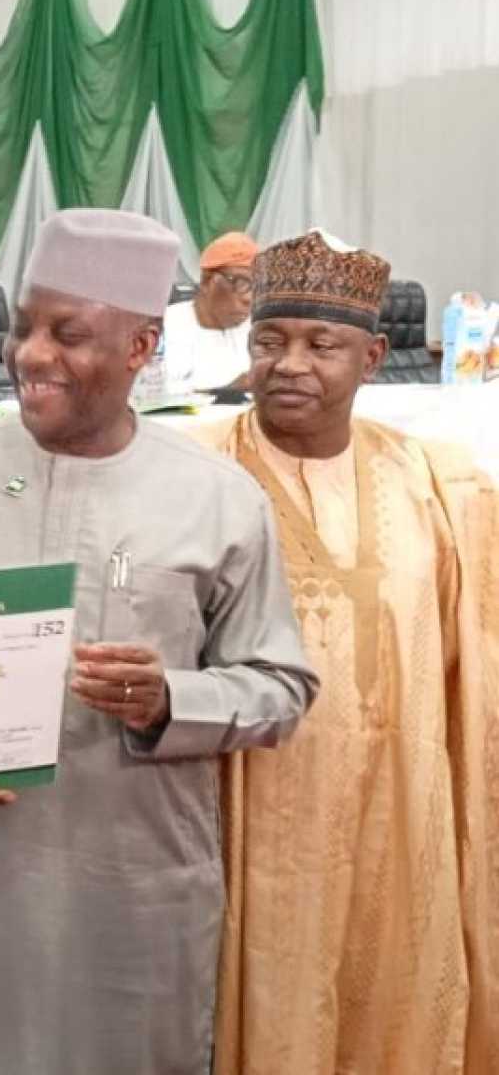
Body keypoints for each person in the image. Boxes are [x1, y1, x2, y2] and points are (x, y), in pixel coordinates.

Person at [0, 209, 319, 1075]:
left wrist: (170, 698)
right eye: (23, 327)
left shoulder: (215, 498)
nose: (31, 355)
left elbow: (280, 684)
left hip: (132, 891)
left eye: (67, 335)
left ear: (141, 346)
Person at [195, 230, 499, 1074]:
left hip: (403, 805)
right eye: (269, 340)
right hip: (253, 811)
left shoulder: (438, 485)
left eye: (319, 344)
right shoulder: (192, 475)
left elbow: (478, 669)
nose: (289, 364)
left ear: (370, 358)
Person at [163, 230, 257, 391]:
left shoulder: (256, 327)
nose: (249, 298)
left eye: (258, 285)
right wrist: (228, 391)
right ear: (207, 282)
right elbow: (154, 394)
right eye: (241, 282)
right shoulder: (166, 326)